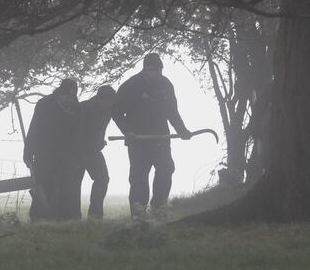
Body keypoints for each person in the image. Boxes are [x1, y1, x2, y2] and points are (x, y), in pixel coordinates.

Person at [112, 53, 191, 219]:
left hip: (161, 138)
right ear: (145, 70)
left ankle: (158, 207)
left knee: (166, 168)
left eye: (159, 71)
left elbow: (172, 111)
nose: (157, 74)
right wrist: (127, 131)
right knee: (139, 176)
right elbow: (116, 112)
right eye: (153, 70)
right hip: (138, 141)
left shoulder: (166, 84)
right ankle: (138, 212)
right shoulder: (130, 86)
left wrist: (182, 129)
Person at [23, 79, 80, 221]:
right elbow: (34, 128)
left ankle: (64, 219)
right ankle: (38, 218)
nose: (70, 99)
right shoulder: (44, 105)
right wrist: (28, 152)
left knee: (67, 186)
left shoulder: (76, 108)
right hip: (44, 152)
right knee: (44, 185)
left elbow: (78, 132)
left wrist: (76, 153)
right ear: (60, 93)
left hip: (66, 154)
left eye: (72, 96)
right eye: (67, 96)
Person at [73, 85, 117, 219]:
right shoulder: (82, 108)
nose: (109, 105)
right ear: (99, 99)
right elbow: (76, 132)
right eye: (107, 102)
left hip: (93, 151)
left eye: (111, 103)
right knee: (75, 183)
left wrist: (99, 141)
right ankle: (74, 217)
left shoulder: (108, 109)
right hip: (77, 152)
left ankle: (95, 216)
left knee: (103, 179)